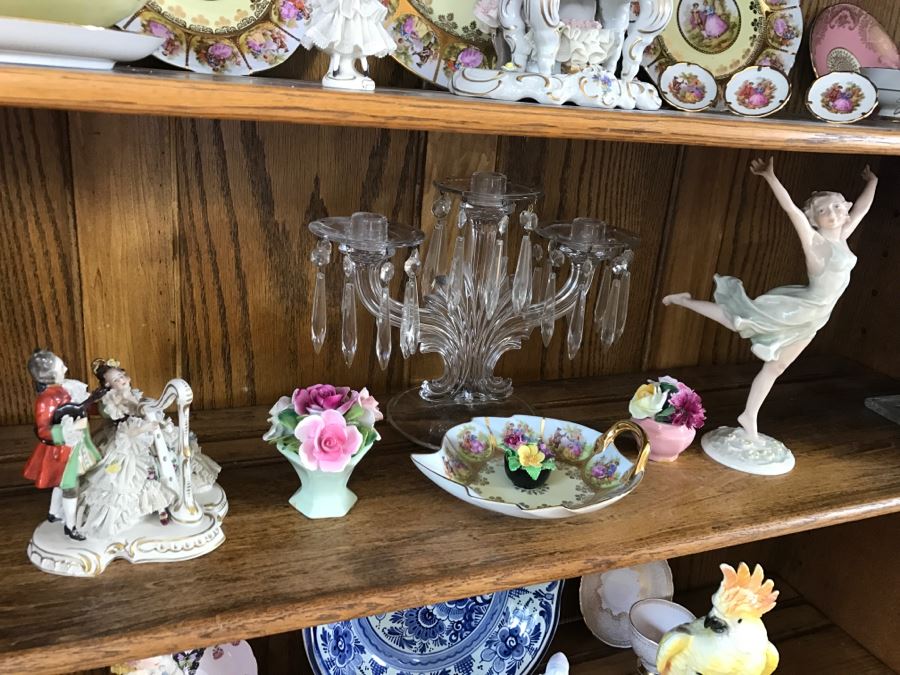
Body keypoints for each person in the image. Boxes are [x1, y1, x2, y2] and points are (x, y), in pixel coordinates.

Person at [663, 158, 878, 440]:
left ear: (846, 209)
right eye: (823, 210)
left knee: (776, 366)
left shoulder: (843, 237)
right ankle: (684, 301)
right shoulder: (816, 244)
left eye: (837, 206)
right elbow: (791, 209)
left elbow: (861, 209)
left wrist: (872, 181)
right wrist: (770, 177)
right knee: (736, 319)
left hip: (815, 317)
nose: (832, 213)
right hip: (797, 310)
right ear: (814, 219)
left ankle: (748, 415)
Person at [23, 350, 105, 540]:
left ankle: (54, 513)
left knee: (62, 482)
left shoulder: (68, 388)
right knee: (70, 485)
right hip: (62, 451)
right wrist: (66, 432)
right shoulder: (46, 400)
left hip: (77, 444)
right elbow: (43, 430)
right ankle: (70, 525)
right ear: (47, 374)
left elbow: (82, 407)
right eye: (61, 366)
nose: (66, 368)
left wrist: (96, 401)